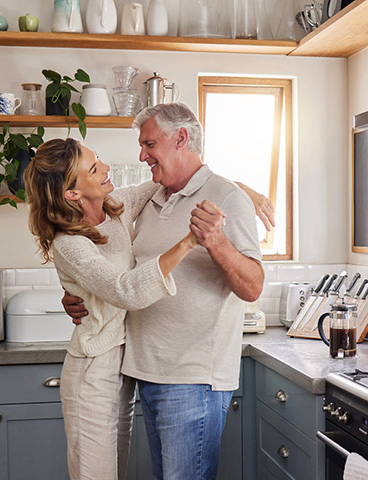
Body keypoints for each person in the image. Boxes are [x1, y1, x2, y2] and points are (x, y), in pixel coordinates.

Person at [64, 102, 265, 479]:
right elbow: (117, 265)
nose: (142, 155)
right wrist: (78, 292)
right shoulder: (152, 198)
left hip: (192, 379)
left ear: (181, 139)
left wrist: (216, 243)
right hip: (146, 372)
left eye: (149, 144)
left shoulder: (226, 199)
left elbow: (253, 286)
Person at [24, 137, 202, 480]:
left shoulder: (116, 207)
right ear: (72, 194)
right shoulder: (70, 244)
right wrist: (189, 241)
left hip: (123, 367)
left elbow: (171, 178)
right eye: (93, 168)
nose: (105, 168)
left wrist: (240, 190)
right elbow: (126, 290)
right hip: (93, 372)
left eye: (99, 159)